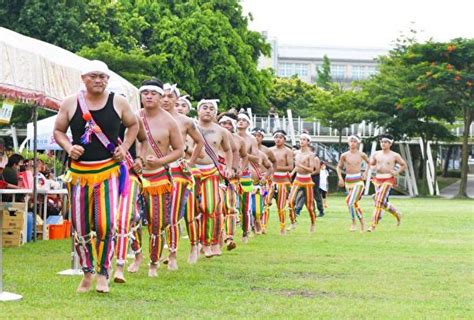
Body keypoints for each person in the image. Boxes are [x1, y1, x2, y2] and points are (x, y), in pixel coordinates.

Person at [54, 60, 139, 293]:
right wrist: (68, 147)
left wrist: (125, 147)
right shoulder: (71, 103)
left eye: (103, 76)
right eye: (94, 76)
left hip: (108, 171)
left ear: (108, 79)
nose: (99, 80)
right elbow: (58, 131)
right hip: (79, 174)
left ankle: (103, 273)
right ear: (84, 78)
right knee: (80, 227)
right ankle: (87, 272)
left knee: (106, 223)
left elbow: (133, 125)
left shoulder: (118, 101)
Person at [135, 79, 184, 276]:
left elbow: (180, 150)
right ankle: (137, 255)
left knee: (157, 222)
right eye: (144, 92)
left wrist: (161, 160)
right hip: (134, 175)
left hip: (158, 177)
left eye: (153, 93)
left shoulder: (169, 121)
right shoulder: (133, 117)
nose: (148, 96)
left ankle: (153, 263)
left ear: (160, 96)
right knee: (130, 218)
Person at [161, 83, 204, 269]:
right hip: (158, 171)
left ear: (176, 100)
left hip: (180, 171)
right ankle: (161, 251)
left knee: (180, 214)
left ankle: (178, 252)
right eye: (162, 96)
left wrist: (191, 162)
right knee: (161, 216)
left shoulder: (186, 121)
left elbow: (200, 143)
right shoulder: (148, 118)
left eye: (170, 96)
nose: (165, 99)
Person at [195, 99, 232, 257]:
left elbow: (229, 150)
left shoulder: (221, 131)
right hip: (192, 171)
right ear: (198, 110)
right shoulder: (190, 127)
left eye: (211, 108)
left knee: (210, 207)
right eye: (204, 107)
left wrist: (229, 168)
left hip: (211, 171)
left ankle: (208, 242)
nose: (208, 111)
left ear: (215, 113)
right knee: (193, 210)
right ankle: (194, 243)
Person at [218, 112, 248, 250]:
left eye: (229, 123)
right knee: (215, 209)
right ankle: (217, 237)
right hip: (214, 177)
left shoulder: (239, 140)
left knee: (230, 208)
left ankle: (229, 237)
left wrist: (238, 168)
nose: (226, 126)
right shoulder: (211, 136)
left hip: (232, 179)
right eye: (223, 123)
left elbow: (244, 156)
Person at [368, 134, 406, 232]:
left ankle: (373, 225)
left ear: (390, 143)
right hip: (377, 179)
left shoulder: (395, 155)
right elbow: (371, 164)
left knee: (379, 201)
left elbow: (403, 165)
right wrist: (373, 168)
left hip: (388, 179)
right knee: (379, 201)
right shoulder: (376, 154)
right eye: (381, 142)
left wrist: (396, 171)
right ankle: (396, 213)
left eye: (385, 142)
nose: (383, 144)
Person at [236, 111, 260, 243]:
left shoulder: (251, 139)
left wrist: (243, 153)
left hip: (245, 174)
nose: (240, 122)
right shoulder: (230, 136)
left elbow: (257, 159)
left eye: (243, 120)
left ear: (248, 123)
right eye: (238, 119)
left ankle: (245, 232)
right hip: (231, 173)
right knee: (228, 204)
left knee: (245, 206)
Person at [336, 135, 369, 232]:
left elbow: (370, 163)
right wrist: (340, 178)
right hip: (348, 181)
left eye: (355, 141)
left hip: (358, 181)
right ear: (348, 142)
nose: (353, 143)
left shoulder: (361, 154)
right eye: (351, 141)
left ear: (358, 143)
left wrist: (365, 173)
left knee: (349, 202)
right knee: (353, 204)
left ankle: (353, 222)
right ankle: (362, 222)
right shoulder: (344, 155)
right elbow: (338, 167)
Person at [288, 134, 317, 232]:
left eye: (304, 140)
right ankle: (293, 222)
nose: (301, 141)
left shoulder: (311, 155)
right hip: (298, 179)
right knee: (290, 201)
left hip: (307, 180)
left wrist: (301, 165)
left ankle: (313, 223)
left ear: (308, 142)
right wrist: (292, 173)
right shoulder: (296, 153)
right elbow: (296, 166)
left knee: (309, 206)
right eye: (300, 139)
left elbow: (311, 170)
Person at [268, 130, 294, 235]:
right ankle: (262, 227)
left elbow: (290, 167)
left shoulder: (288, 151)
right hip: (271, 181)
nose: (278, 139)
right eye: (276, 137)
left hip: (283, 182)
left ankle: (282, 227)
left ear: (284, 139)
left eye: (280, 137)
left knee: (281, 206)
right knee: (266, 204)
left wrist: (275, 167)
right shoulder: (269, 150)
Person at [251, 128, 276, 234]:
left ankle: (263, 225)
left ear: (262, 137)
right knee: (250, 206)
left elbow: (273, 163)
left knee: (263, 204)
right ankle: (253, 225)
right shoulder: (246, 149)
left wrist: (268, 175)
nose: (256, 137)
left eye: (259, 135)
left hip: (263, 182)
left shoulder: (267, 150)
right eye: (254, 135)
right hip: (249, 181)